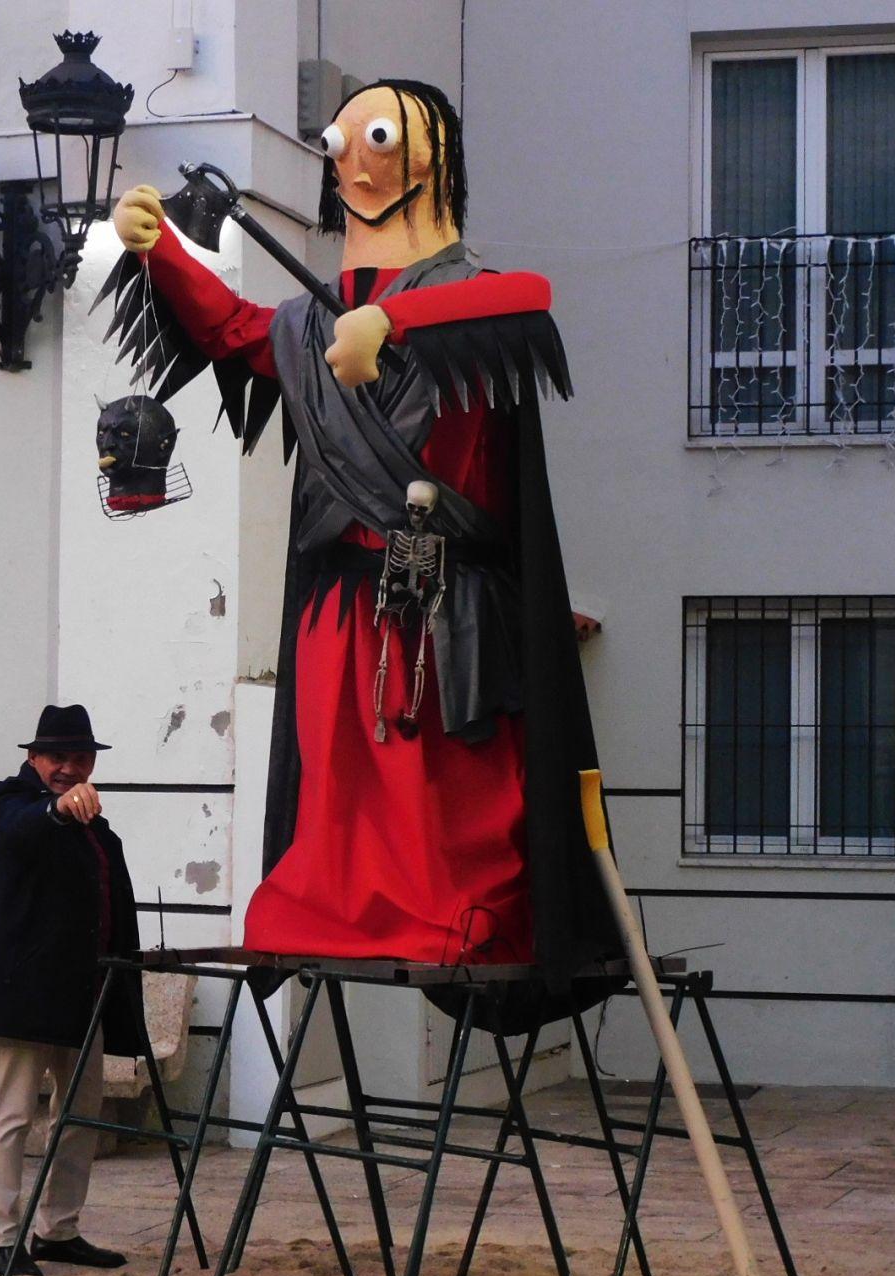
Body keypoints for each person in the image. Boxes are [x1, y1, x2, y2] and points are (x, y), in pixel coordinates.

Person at [103, 79, 620, 985]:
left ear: (431, 160)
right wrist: (165, 255)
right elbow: (234, 328)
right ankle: (329, 909)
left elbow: (524, 302)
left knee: (437, 783)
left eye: (378, 138)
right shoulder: (307, 326)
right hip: (342, 596)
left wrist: (394, 317)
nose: (356, 158)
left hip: (446, 600)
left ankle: (457, 916)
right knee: (338, 781)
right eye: (344, 141)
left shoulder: (477, 293)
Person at [0, 704, 143, 1276]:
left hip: (81, 992)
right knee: (13, 1113)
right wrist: (59, 809)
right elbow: (23, 827)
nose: (69, 767)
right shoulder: (10, 803)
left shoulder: (94, 826)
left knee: (81, 1113)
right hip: (26, 994)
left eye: (79, 757)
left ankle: (58, 1230)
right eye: (57, 757)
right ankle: (1, 1239)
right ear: (32, 758)